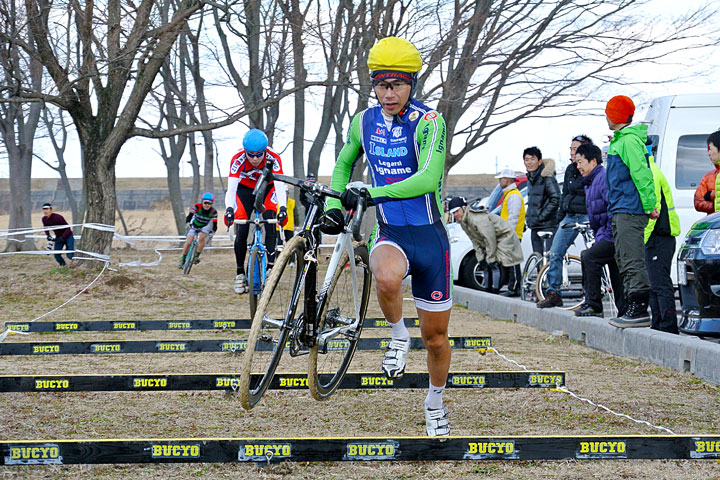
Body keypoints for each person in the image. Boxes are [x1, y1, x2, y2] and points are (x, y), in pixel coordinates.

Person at [322, 37, 451, 436]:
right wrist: (335, 202)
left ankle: (435, 400)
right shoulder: (364, 121)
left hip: (430, 238)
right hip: (391, 230)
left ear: (412, 84)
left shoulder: (429, 122)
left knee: (436, 339)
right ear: (373, 84)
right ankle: (397, 335)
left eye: (397, 85)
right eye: (381, 84)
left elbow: (429, 178)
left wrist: (371, 193)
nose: (388, 93)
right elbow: (344, 163)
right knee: (386, 277)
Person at [603, 95, 657, 328]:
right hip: (620, 209)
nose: (605, 116)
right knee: (623, 257)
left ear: (614, 115)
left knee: (632, 259)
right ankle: (630, 307)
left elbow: (642, 175)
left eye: (608, 112)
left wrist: (650, 205)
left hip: (630, 210)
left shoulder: (628, 142)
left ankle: (639, 310)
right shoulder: (620, 140)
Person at [224, 129, 288, 295]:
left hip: (267, 189)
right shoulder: (237, 160)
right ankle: (239, 273)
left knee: (271, 220)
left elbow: (280, 186)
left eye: (258, 154)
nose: (254, 158)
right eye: (250, 155)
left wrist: (283, 208)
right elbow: (231, 190)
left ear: (265, 151)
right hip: (244, 191)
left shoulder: (274, 158)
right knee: (242, 228)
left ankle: (270, 268)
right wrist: (229, 209)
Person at [537, 135, 593, 308]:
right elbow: (565, 195)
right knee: (555, 252)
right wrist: (559, 218)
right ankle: (554, 292)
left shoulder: (592, 169)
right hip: (569, 215)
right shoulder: (570, 169)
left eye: (575, 149)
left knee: (592, 256)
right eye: (571, 149)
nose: (572, 152)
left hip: (586, 215)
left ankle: (592, 295)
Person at [573, 144, 625, 318]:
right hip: (605, 234)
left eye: (580, 162)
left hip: (612, 235)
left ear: (593, 161)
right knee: (615, 274)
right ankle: (623, 312)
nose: (578, 167)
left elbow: (612, 209)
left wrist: (608, 235)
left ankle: (593, 305)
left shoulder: (602, 178)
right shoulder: (591, 181)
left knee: (589, 257)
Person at [451, 197, 524, 297]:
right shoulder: (464, 222)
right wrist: (481, 258)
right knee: (487, 263)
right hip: (495, 237)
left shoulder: (476, 218)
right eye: (453, 213)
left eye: (456, 211)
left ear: (463, 208)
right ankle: (490, 288)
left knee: (509, 260)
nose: (455, 215)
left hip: (505, 235)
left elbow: (489, 238)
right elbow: (475, 240)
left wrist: (490, 258)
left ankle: (514, 288)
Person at [645, 157, 681, 333]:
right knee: (654, 284)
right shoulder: (648, 169)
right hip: (657, 236)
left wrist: (641, 239)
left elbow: (654, 211)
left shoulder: (650, 172)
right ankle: (658, 325)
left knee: (660, 283)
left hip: (660, 236)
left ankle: (668, 327)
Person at [524, 147, 560, 256]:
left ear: (539, 161)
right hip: (535, 226)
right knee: (538, 259)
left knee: (549, 260)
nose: (529, 162)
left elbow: (556, 198)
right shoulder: (531, 179)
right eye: (526, 159)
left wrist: (542, 216)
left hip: (548, 225)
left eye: (532, 159)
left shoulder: (547, 177)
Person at [494, 168, 524, 296]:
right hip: (511, 233)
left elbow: (513, 217)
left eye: (501, 179)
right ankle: (513, 287)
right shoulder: (510, 194)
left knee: (513, 263)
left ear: (507, 179)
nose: (500, 181)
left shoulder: (513, 195)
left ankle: (514, 288)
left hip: (512, 234)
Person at [177, 192, 218, 268]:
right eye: (205, 203)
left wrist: (213, 231)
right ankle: (183, 259)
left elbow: (215, 224)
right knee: (189, 241)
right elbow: (189, 216)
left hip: (204, 226)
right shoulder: (197, 206)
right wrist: (187, 223)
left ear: (212, 204)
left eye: (209, 203)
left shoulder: (213, 212)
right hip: (194, 224)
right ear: (202, 202)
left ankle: (196, 256)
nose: (207, 205)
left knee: (202, 237)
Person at [694, 130, 720, 215]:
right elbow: (697, 202)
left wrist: (710, 195)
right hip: (715, 225)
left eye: (710, 149)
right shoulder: (708, 176)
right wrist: (714, 205)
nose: (708, 153)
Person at [41, 203, 74, 267]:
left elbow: (67, 228)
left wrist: (63, 237)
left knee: (70, 255)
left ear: (51, 210)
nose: (45, 211)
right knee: (56, 254)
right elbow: (46, 227)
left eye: (47, 209)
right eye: (44, 209)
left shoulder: (58, 217)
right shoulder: (44, 219)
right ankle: (63, 266)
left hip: (68, 236)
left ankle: (75, 263)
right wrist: (48, 235)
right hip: (58, 237)